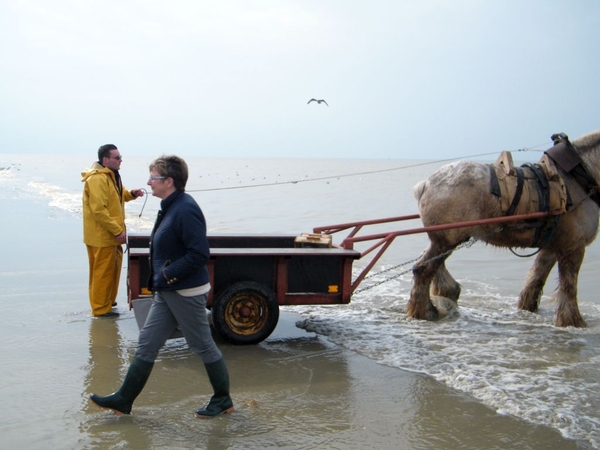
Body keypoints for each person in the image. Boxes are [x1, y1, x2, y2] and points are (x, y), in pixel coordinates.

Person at [89, 155, 234, 418]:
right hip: (167, 291)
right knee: (147, 344)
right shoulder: (170, 205)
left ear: (169, 181)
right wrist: (163, 280)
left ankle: (223, 399)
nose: (148, 182)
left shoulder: (185, 208)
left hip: (184, 291)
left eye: (153, 177)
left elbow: (199, 254)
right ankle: (123, 399)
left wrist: (166, 275)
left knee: (202, 345)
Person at [82, 144, 144, 318]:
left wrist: (132, 193)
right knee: (102, 273)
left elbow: (118, 195)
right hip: (102, 237)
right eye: (117, 158)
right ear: (105, 160)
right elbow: (99, 210)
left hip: (110, 236)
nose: (120, 160)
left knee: (111, 270)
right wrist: (117, 231)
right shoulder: (97, 179)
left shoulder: (111, 176)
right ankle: (101, 309)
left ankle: (107, 301)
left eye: (120, 157)